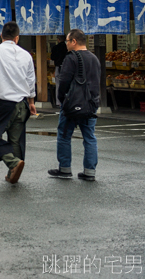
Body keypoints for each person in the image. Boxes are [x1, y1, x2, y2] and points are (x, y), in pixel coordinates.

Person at [0, 21, 38, 184]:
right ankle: (14, 172)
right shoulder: (26, 55)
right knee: (16, 140)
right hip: (22, 103)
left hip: (2, 102)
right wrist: (31, 102)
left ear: (1, 36)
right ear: (17, 38)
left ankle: (13, 163)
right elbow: (31, 80)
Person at [48, 29, 100, 182]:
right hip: (90, 104)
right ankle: (89, 171)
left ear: (74, 42)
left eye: (67, 41)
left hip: (72, 104)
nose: (66, 44)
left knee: (64, 135)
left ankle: (65, 168)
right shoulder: (95, 58)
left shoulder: (71, 58)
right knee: (89, 137)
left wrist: (61, 99)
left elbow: (63, 82)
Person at [50, 35, 68, 107]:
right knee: (67, 84)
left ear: (58, 39)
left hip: (58, 66)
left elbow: (52, 57)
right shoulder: (67, 47)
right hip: (67, 67)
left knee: (58, 84)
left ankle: (59, 102)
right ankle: (67, 100)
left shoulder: (55, 48)